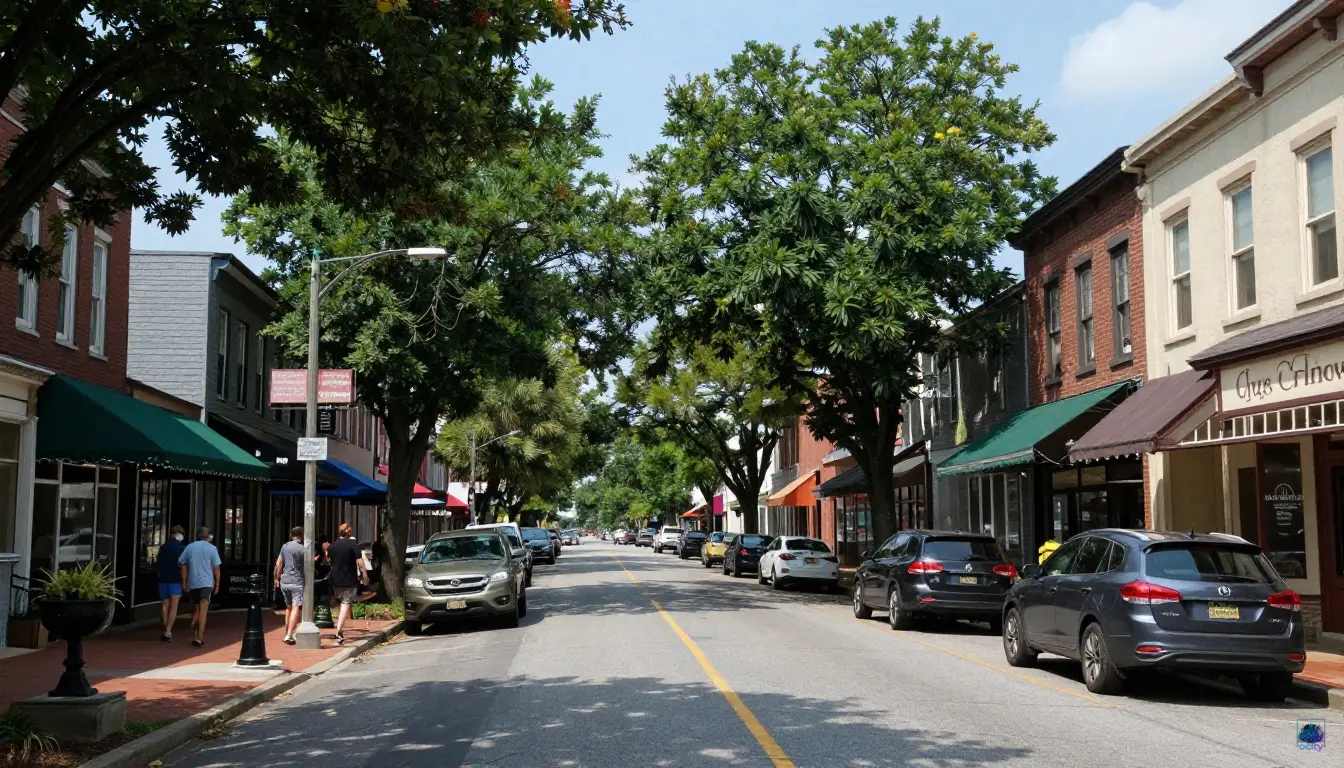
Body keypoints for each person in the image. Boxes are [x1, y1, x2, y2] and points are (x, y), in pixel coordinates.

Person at [179, 526, 221, 647]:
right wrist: (217, 583)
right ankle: (200, 637)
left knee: (196, 609)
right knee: (203, 611)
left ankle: (195, 633)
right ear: (208, 536)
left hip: (193, 583)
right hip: (206, 583)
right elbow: (216, 568)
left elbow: (181, 563)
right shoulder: (212, 549)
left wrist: (184, 581)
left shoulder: (190, 547)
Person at [328, 523, 368, 646]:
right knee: (346, 603)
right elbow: (360, 562)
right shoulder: (353, 545)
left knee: (341, 603)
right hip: (349, 579)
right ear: (349, 533)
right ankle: (339, 630)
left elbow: (329, 559)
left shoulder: (333, 546)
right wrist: (364, 575)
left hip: (335, 579)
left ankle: (340, 630)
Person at [273, 526, 306, 645]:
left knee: (288, 607)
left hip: (285, 580)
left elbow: (279, 563)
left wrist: (276, 578)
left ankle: (288, 631)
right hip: (297, 580)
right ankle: (289, 635)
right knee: (296, 606)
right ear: (302, 535)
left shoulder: (285, 546)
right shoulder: (303, 548)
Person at [157, 526, 187, 641]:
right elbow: (183, 564)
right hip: (175, 579)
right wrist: (185, 581)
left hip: (163, 579)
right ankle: (168, 630)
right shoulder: (181, 548)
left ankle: (165, 628)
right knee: (174, 606)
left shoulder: (163, 547)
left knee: (165, 605)